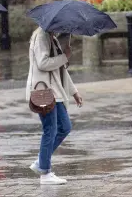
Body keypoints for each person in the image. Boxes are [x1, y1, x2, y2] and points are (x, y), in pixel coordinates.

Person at [26, 27, 83, 185]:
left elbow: (60, 71)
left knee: (65, 127)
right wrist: (65, 56)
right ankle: (45, 172)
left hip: (56, 92)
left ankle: (40, 162)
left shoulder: (52, 37)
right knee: (50, 130)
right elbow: (43, 63)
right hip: (44, 91)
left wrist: (74, 92)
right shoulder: (41, 37)